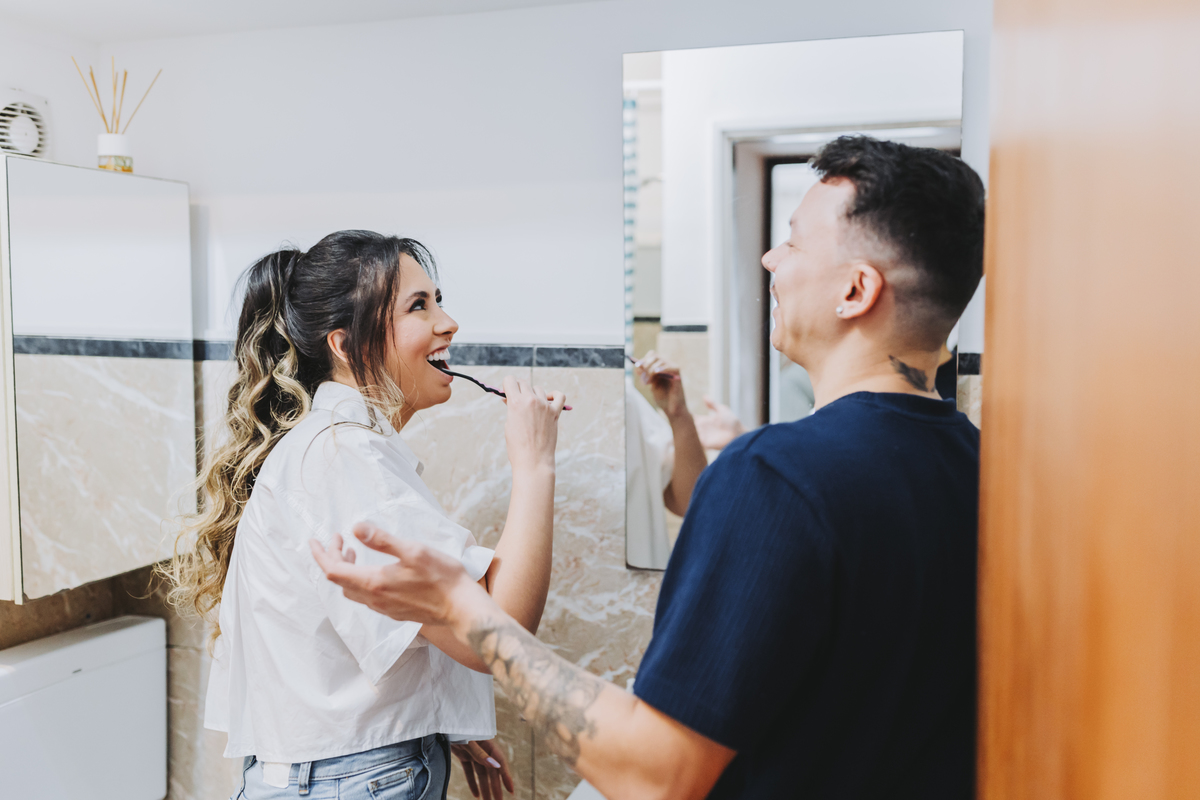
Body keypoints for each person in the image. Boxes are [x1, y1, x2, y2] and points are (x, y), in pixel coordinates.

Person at [311, 136, 985, 799]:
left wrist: (464, 611)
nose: (770, 257)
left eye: (794, 242)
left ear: (857, 290)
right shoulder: (981, 467)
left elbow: (654, 776)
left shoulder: (776, 477)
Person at [162, 231, 566, 800]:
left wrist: (428, 721)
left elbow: (360, 633)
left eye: (438, 300)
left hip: (350, 772)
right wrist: (535, 465)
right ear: (347, 346)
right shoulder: (343, 456)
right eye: (418, 306)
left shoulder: (336, 448)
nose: (448, 323)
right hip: (352, 781)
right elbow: (497, 634)